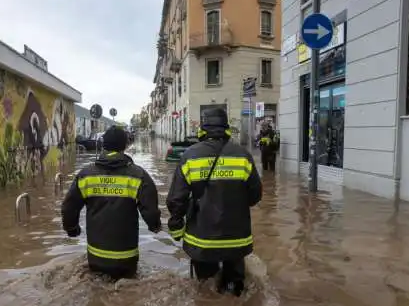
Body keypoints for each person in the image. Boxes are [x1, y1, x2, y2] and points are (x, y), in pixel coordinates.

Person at [166, 107, 262, 296]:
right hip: (237, 238)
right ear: (226, 128)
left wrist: (176, 228)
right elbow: (255, 196)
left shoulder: (190, 156)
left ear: (202, 129)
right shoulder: (243, 156)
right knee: (236, 292)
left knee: (205, 289)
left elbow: (177, 199)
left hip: (202, 239)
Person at [61, 125, 161, 280]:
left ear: (103, 145)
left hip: (95, 255)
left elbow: (69, 207)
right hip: (127, 256)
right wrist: (154, 226)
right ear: (125, 145)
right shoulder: (138, 175)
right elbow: (151, 210)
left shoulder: (86, 174)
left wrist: (72, 229)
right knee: (127, 297)